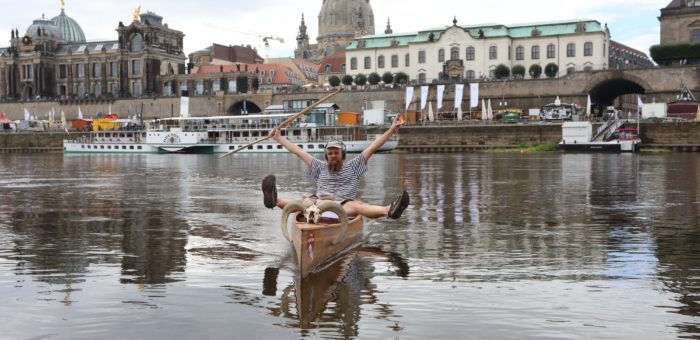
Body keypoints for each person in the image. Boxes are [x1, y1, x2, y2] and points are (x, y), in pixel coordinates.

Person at [262, 115, 409, 219]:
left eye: (336, 152)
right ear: (326, 156)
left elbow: (373, 147)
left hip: (343, 208)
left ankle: (390, 210)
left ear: (342, 154)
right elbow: (298, 151)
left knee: (358, 206)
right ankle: (273, 200)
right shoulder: (319, 167)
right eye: (330, 153)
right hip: (318, 206)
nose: (333, 155)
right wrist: (278, 137)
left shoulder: (353, 166)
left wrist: (392, 129)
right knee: (304, 203)